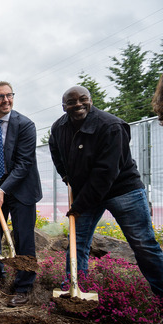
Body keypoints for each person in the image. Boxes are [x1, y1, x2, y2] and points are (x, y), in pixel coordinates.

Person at [49, 85, 163, 297]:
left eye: (83, 99)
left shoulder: (111, 126)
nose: (78, 104)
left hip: (122, 190)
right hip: (86, 191)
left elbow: (106, 173)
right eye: (71, 102)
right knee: (77, 241)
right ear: (64, 106)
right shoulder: (59, 128)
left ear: (90, 101)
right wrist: (65, 175)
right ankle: (74, 291)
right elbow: (55, 151)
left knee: (143, 244)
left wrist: (79, 206)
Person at [0, 81, 42, 307]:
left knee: (24, 238)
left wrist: (5, 189)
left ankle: (23, 287)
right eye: (0, 97)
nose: (5, 100)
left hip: (21, 187)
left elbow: (24, 163)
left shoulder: (25, 124)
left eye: (9, 95)